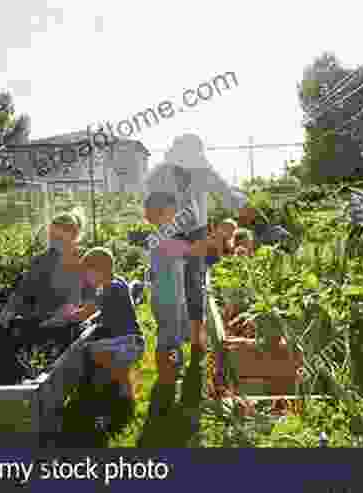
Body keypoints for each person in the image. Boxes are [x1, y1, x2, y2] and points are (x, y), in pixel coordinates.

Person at [138, 134, 254, 447]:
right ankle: (170, 368)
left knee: (195, 286)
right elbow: (150, 209)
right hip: (171, 233)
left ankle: (196, 342)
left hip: (195, 231)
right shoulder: (161, 174)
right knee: (171, 291)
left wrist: (241, 205)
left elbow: (223, 190)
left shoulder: (202, 169)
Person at [0, 208, 87, 382]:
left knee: (60, 343)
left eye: (58, 237)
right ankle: (6, 378)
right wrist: (4, 316)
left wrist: (65, 315)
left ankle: (45, 377)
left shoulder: (82, 259)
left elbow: (83, 298)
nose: (53, 241)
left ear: (73, 236)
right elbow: (22, 292)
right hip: (41, 320)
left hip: (70, 322)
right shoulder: (41, 261)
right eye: (52, 237)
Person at [76, 247, 145, 442]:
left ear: (98, 271)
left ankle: (104, 408)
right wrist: (93, 318)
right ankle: (125, 401)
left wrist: (63, 318)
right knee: (111, 362)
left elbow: (85, 312)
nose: (86, 278)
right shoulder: (119, 282)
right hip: (134, 341)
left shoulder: (108, 289)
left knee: (90, 350)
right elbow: (104, 311)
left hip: (127, 344)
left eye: (87, 273)